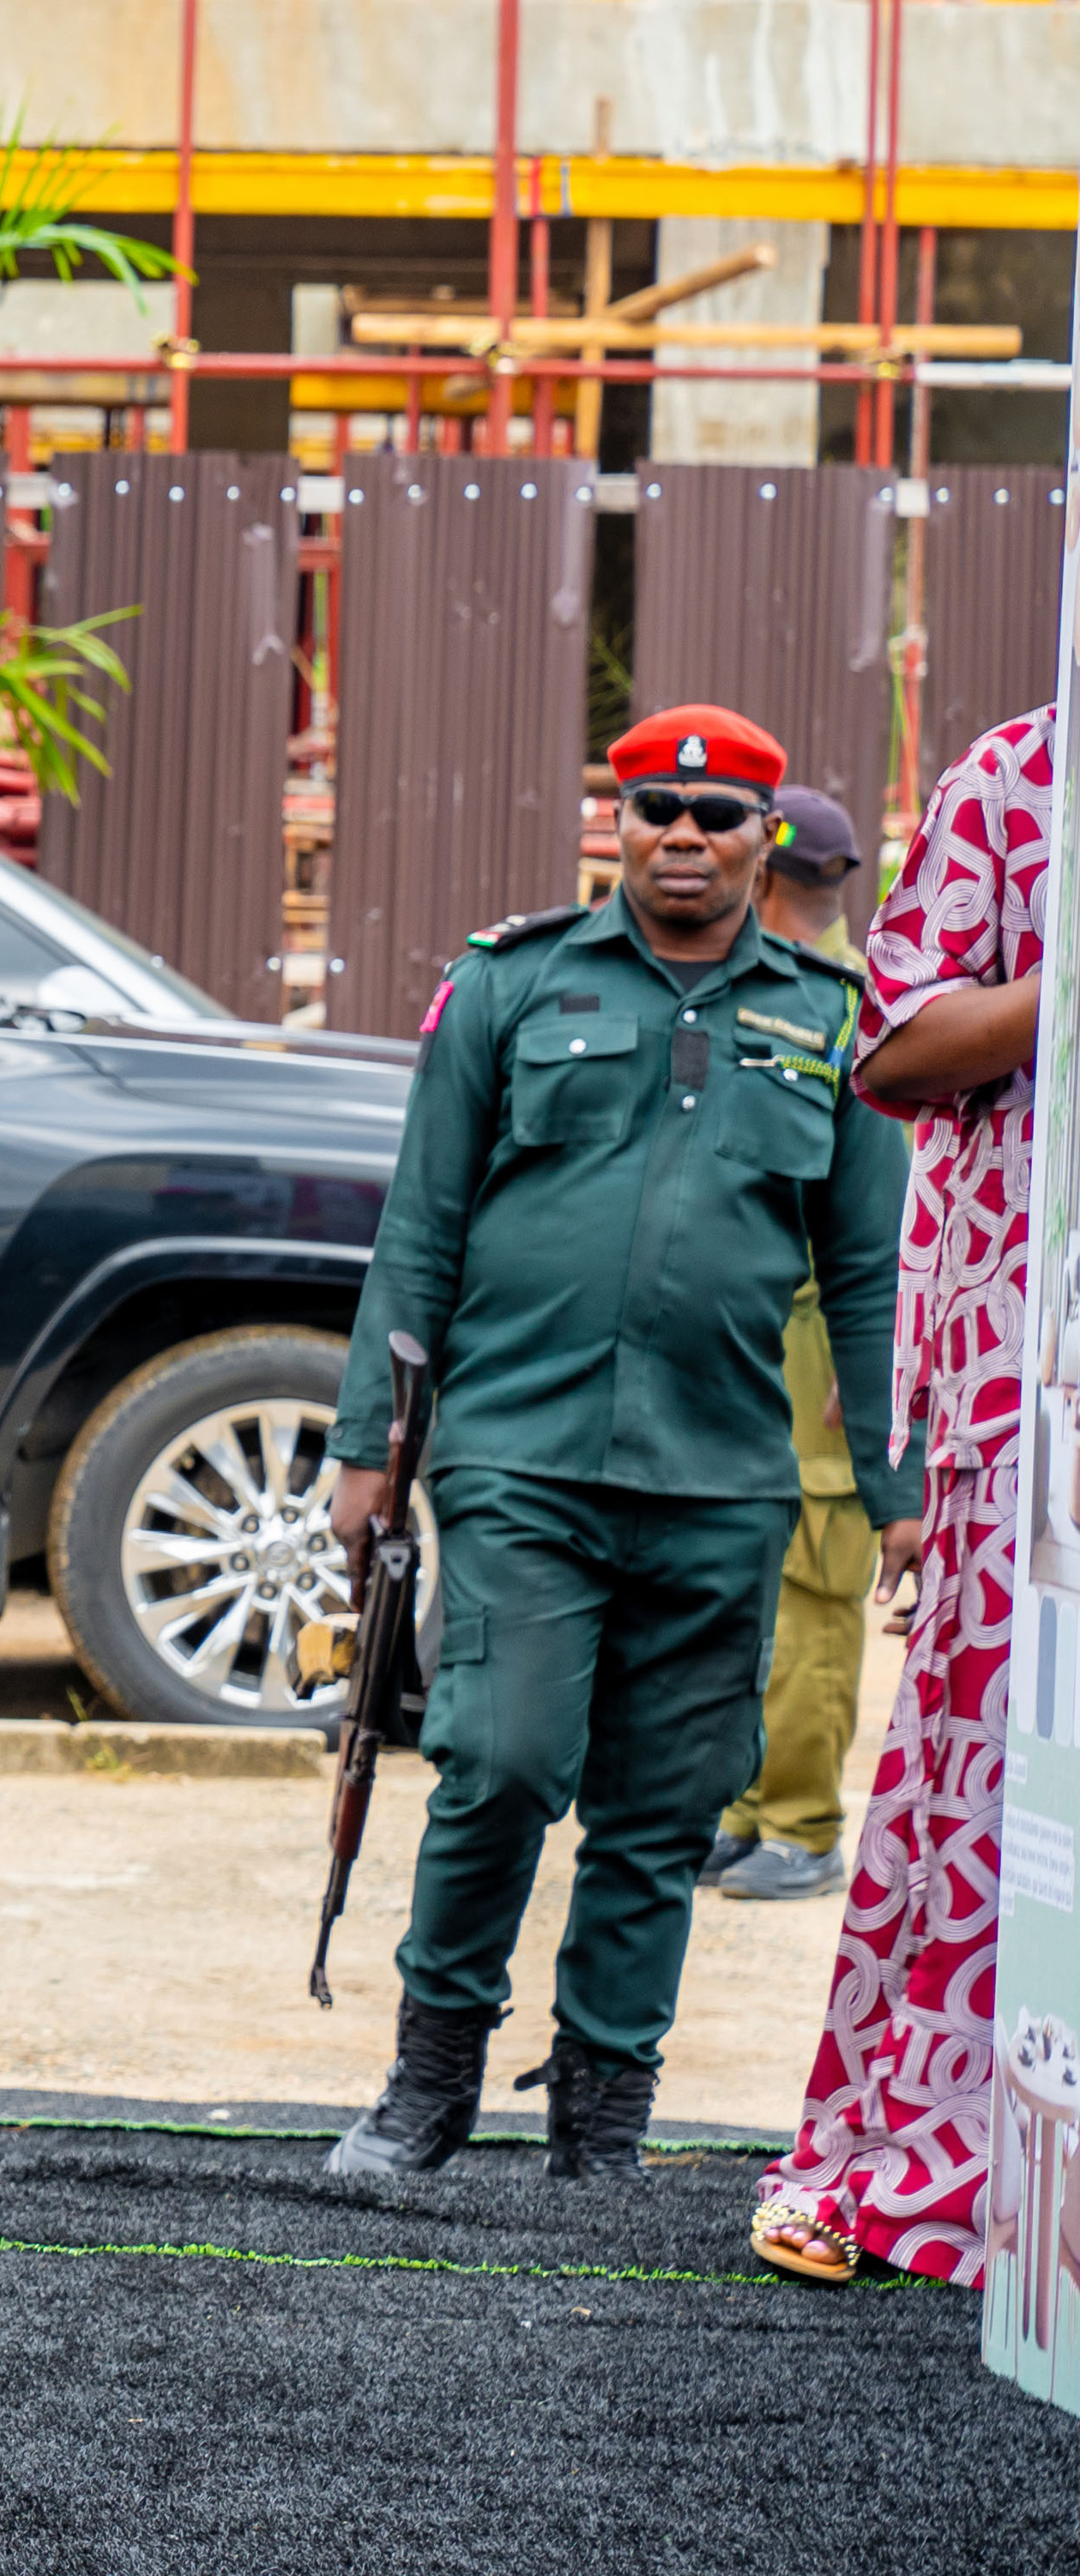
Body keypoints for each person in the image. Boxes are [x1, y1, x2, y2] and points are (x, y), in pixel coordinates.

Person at [324, 706, 908, 2183]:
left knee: (658, 1814)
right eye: (658, 809)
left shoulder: (832, 1021)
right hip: (520, 1451)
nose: (685, 837)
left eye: (717, 815)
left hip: (721, 1480)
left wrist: (896, 1485)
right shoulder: (508, 984)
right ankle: (426, 2082)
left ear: (764, 836)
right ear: (616, 823)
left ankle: (600, 2117)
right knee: (502, 1759)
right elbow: (418, 1224)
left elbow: (865, 1272)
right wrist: (363, 1448)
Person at [757, 708, 1052, 2285]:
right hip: (1035, 1371)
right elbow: (891, 1052)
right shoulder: (1014, 777)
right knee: (998, 1749)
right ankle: (940, 2149)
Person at [709, 784, 878, 1904]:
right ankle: (737, 1808)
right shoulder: (751, 990)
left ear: (765, 874)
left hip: (827, 1339)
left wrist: (870, 1370)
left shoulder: (857, 1008)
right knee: (736, 1578)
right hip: (753, 1328)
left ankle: (804, 1823)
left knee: (815, 1588)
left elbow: (899, 1215)